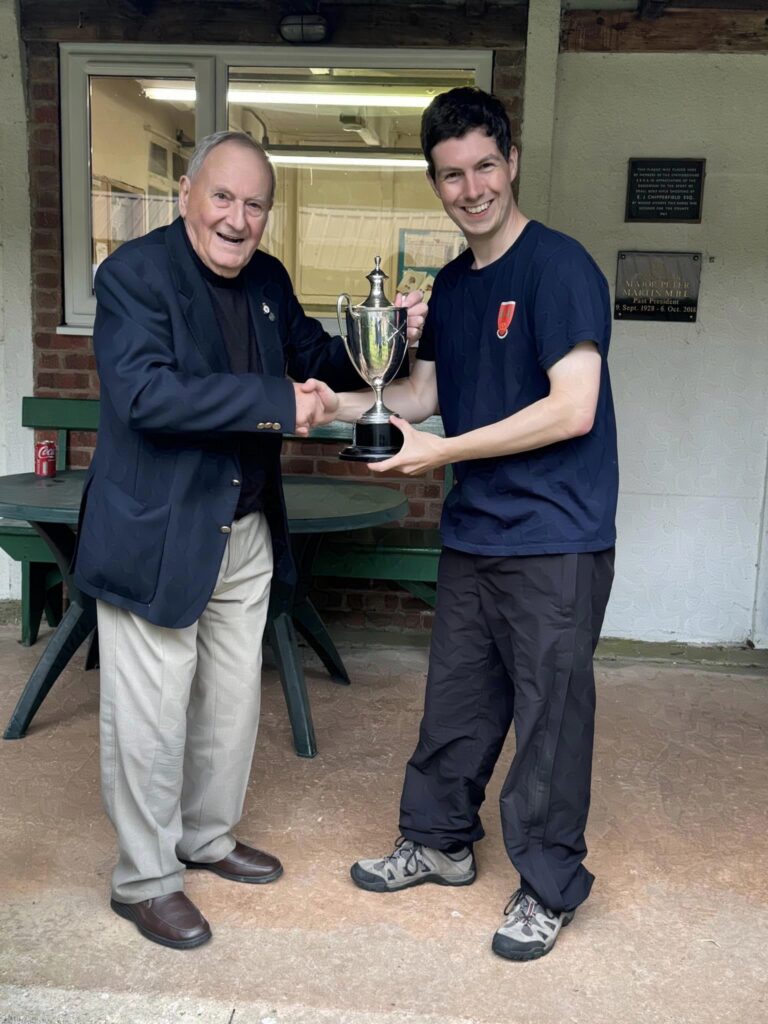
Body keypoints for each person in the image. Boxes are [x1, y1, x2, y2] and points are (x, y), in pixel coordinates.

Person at [72, 130, 426, 950]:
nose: (237, 218)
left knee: (231, 705)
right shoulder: (132, 276)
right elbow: (148, 395)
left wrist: (390, 335)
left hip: (247, 528)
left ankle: (206, 839)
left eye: (255, 204)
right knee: (151, 718)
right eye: (223, 197)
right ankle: (145, 880)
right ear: (186, 194)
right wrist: (274, 402)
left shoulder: (267, 279)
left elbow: (319, 359)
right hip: (158, 533)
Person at [302, 87, 618, 961]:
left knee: (552, 718)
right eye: (451, 175)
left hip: (557, 535)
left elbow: (574, 407)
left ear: (511, 162)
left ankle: (547, 886)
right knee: (457, 704)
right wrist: (341, 403)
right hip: (477, 532)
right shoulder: (452, 284)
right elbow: (425, 393)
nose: (471, 187)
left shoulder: (560, 268)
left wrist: (440, 456)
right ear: (435, 185)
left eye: (485, 166)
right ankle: (438, 841)